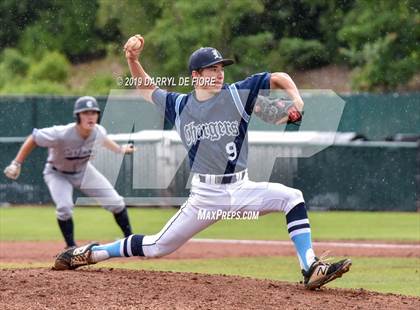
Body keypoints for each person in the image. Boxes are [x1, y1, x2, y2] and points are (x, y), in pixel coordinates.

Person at [52, 35, 351, 290]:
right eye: (212, 68)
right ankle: (92, 253)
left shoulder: (237, 94)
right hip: (205, 197)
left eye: (221, 68)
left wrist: (296, 100)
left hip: (241, 188)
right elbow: (146, 88)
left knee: (292, 197)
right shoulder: (180, 104)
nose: (219, 73)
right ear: (195, 75)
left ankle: (309, 267)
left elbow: (277, 77)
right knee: (157, 247)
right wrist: (131, 59)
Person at [4, 96, 135, 248]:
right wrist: (16, 163)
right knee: (64, 207)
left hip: (83, 171)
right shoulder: (61, 133)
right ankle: (71, 247)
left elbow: (104, 139)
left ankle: (131, 242)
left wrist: (120, 150)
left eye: (93, 112)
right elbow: (34, 137)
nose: (90, 116)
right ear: (77, 116)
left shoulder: (98, 131)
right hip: (57, 173)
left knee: (117, 203)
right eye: (85, 113)